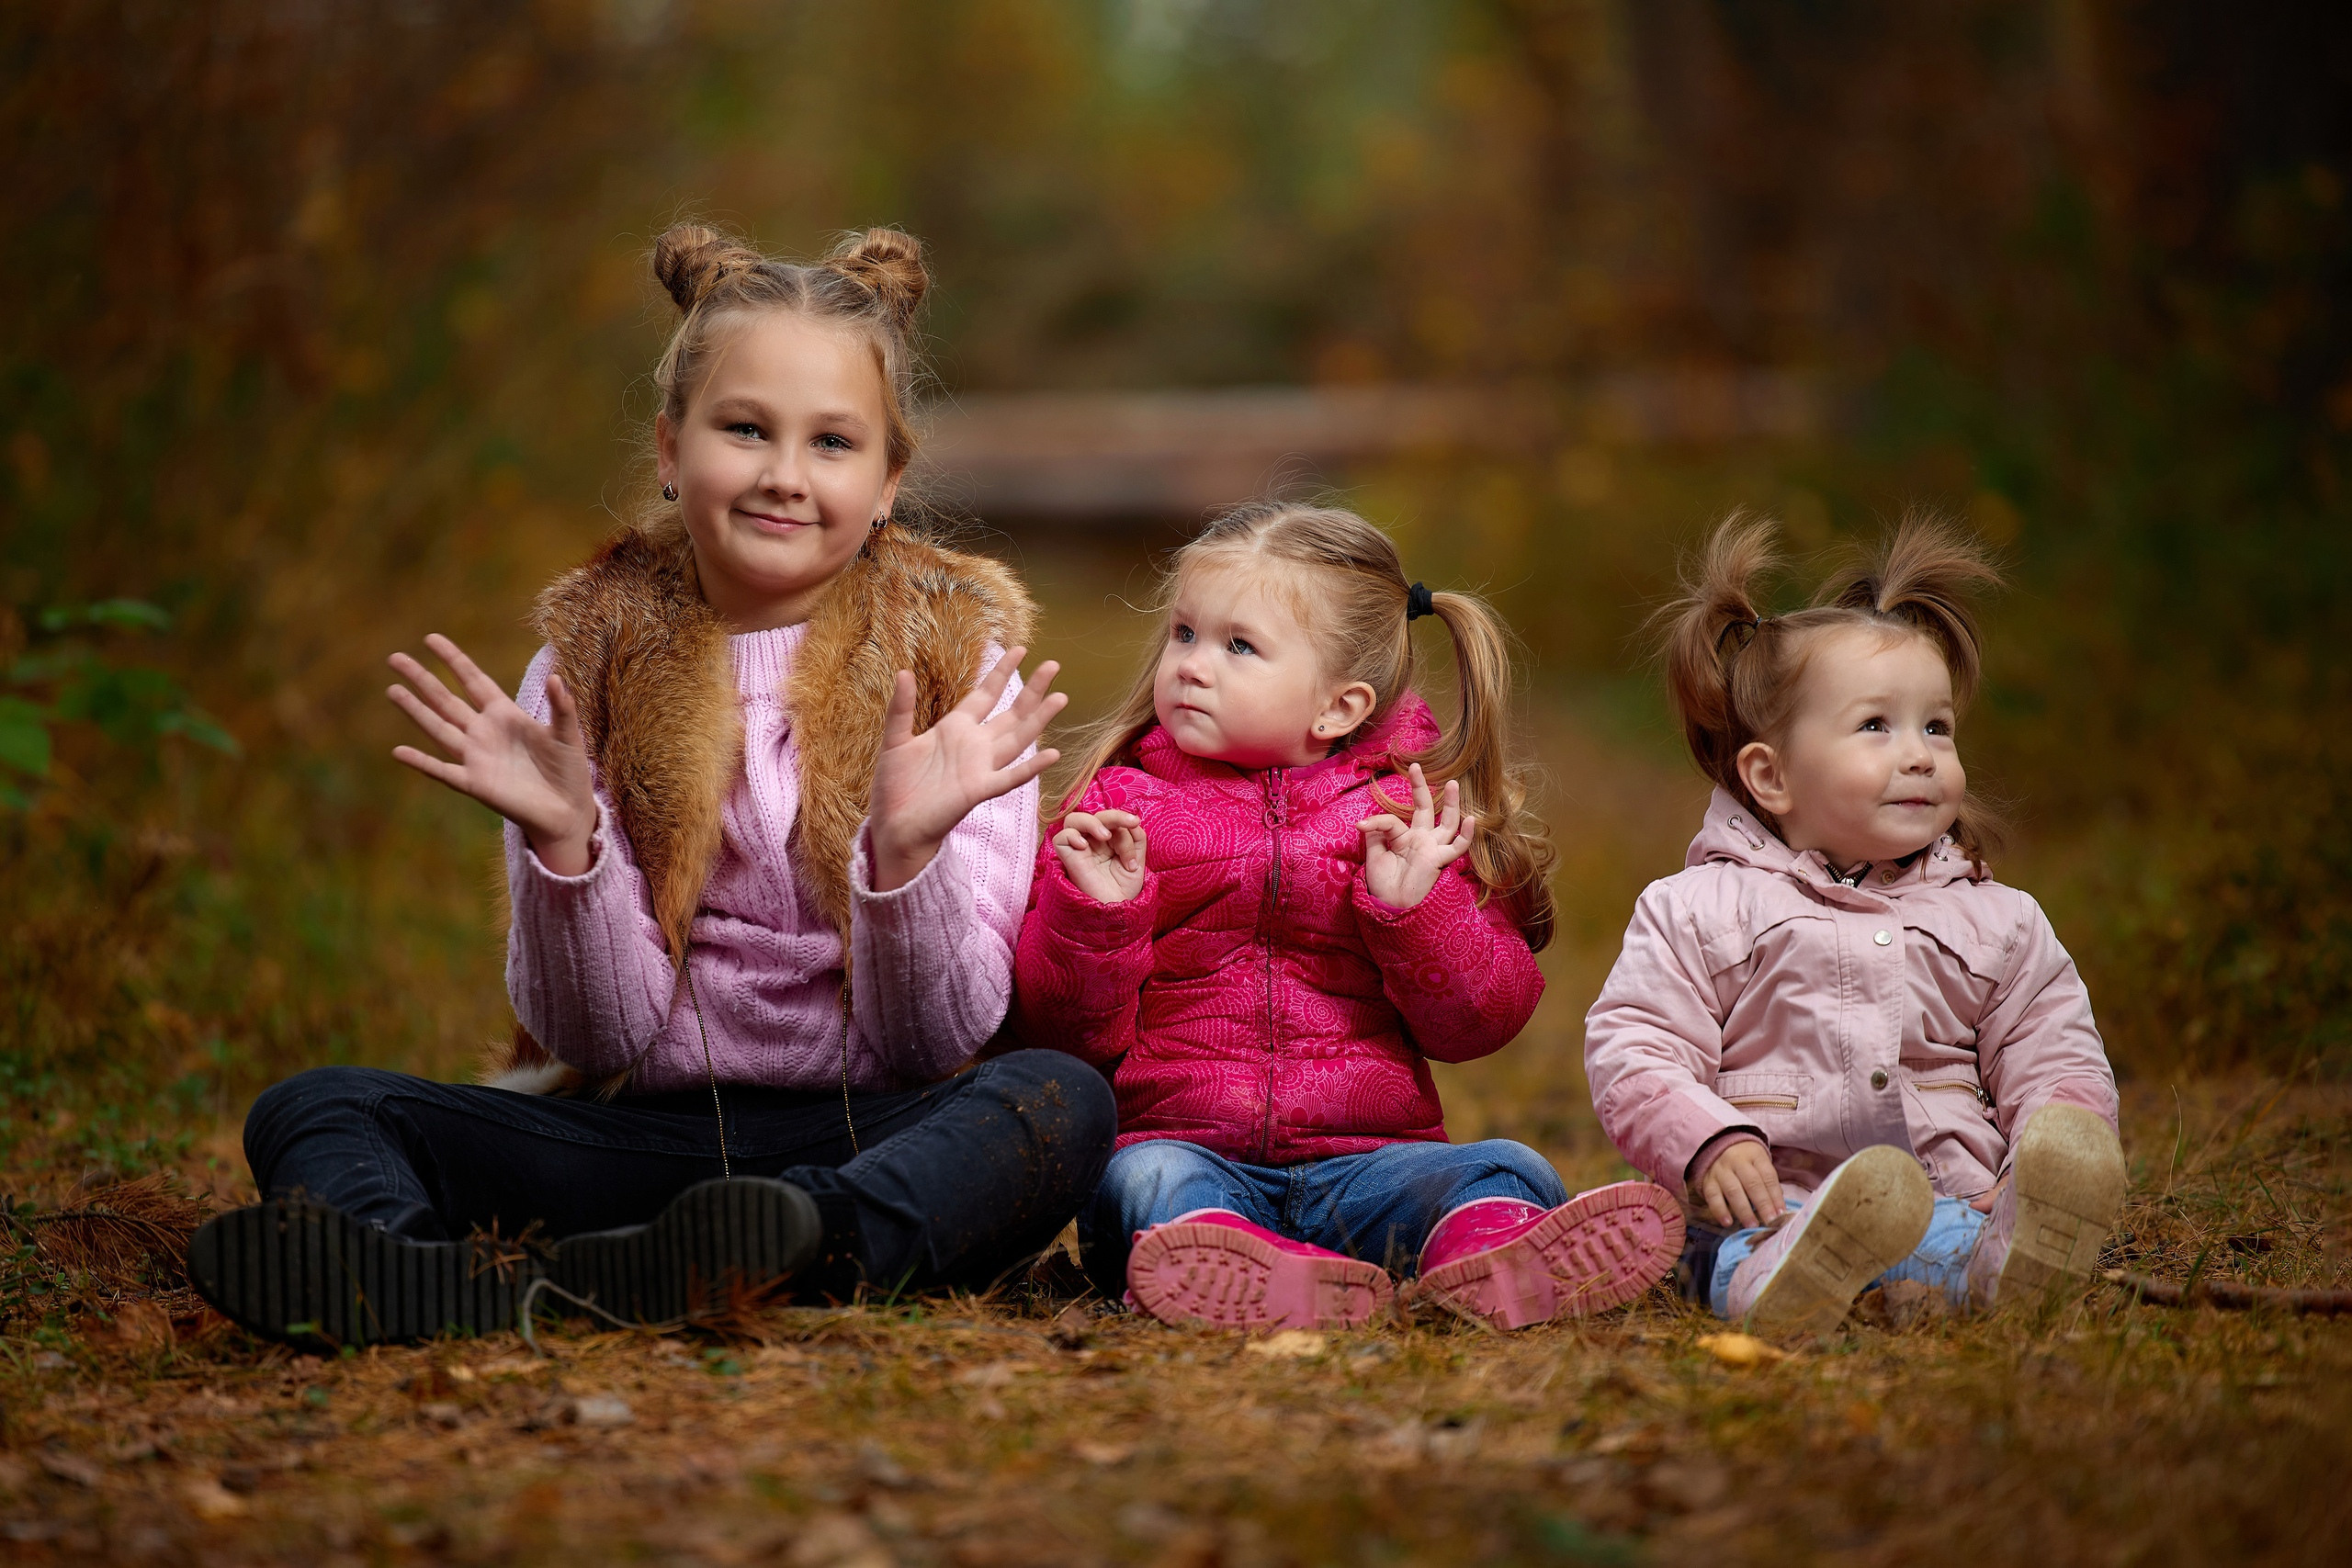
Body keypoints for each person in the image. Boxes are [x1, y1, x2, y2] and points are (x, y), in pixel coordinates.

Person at [187, 224, 1115, 1347]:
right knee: (319, 1106)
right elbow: (600, 1033)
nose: (783, 475)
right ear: (672, 450)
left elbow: (932, 1041)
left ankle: (790, 1245)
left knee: (1057, 1102)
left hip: (872, 1133)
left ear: (886, 484)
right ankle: (420, 1278)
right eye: (744, 429)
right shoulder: (590, 666)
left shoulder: (959, 679)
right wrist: (567, 848)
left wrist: (906, 858)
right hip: (636, 1137)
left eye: (832, 442)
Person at [1012, 502, 1681, 1332]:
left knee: (1506, 1167)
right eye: (1184, 634)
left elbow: (1482, 1022)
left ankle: (1490, 1255)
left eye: (1238, 646)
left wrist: (1417, 910)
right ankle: (1235, 1264)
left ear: (1338, 707)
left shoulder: (1409, 819)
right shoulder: (1118, 812)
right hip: (1188, 1154)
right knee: (1140, 1180)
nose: (1190, 665)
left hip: (1370, 1170)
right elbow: (1062, 1036)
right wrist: (1097, 916)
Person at [1584, 514, 2126, 1339]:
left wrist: (2048, 1154)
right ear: (1770, 775)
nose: (1920, 754)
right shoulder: (1699, 907)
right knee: (1718, 1248)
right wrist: (1706, 1140)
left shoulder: (1998, 920)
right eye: (1877, 726)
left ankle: (2007, 1267)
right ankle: (1778, 1281)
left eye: (1936, 727)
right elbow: (1636, 1044)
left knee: (1961, 1239)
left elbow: (2051, 1048)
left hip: (1946, 1198)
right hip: (1767, 1203)